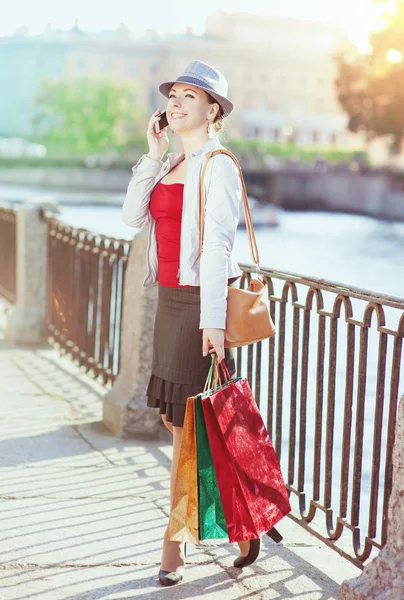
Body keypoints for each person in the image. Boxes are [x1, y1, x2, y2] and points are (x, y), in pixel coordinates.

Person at [122, 60, 277, 587]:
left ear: (213, 110)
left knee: (188, 432)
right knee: (178, 425)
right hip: (169, 303)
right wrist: (152, 154)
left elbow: (217, 248)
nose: (177, 102)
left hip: (197, 309)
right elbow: (131, 217)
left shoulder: (219, 166)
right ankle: (245, 521)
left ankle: (175, 550)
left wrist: (213, 322)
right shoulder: (169, 165)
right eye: (174, 95)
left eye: (191, 95)